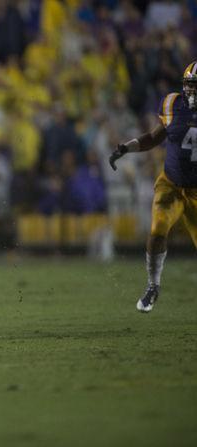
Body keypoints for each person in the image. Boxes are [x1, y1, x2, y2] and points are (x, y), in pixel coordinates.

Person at [109, 61, 197, 313]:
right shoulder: (172, 103)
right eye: (190, 85)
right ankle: (152, 285)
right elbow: (154, 137)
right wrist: (126, 147)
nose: (192, 92)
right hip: (170, 184)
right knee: (157, 230)